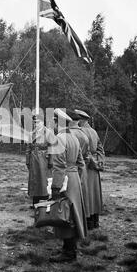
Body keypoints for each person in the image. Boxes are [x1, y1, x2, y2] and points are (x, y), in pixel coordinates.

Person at [50, 109, 87, 262]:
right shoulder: (73, 138)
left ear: (58, 122)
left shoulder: (58, 138)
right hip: (74, 180)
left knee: (64, 214)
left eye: (54, 121)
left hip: (64, 179)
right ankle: (69, 248)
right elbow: (81, 164)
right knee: (73, 214)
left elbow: (58, 166)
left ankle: (69, 253)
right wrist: (77, 180)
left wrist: (56, 188)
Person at [75, 109, 105, 229]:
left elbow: (84, 152)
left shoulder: (80, 132)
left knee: (86, 194)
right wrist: (99, 163)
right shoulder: (93, 131)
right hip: (94, 168)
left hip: (85, 167)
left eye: (76, 119)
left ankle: (87, 222)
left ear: (81, 120)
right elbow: (100, 149)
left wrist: (90, 162)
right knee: (95, 194)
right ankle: (95, 221)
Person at [25, 114, 57, 208]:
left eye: (38, 122)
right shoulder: (31, 133)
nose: (36, 124)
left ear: (43, 122)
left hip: (44, 159)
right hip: (33, 159)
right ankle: (35, 203)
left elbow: (52, 148)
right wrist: (27, 161)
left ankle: (44, 204)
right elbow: (28, 148)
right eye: (34, 122)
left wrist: (51, 161)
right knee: (34, 181)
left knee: (44, 181)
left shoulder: (48, 132)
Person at [67, 109, 92, 228]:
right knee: (80, 199)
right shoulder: (84, 135)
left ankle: (69, 224)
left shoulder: (67, 135)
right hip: (81, 170)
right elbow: (86, 157)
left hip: (68, 171)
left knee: (67, 201)